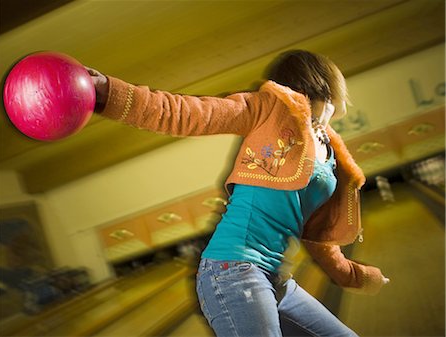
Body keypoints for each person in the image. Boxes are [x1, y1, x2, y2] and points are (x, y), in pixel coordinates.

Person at [86, 50, 389, 337]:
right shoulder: (268, 109)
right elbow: (182, 113)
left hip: (277, 279)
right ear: (320, 84)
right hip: (233, 272)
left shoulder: (330, 151)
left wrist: (356, 275)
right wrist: (108, 92)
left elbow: (319, 236)